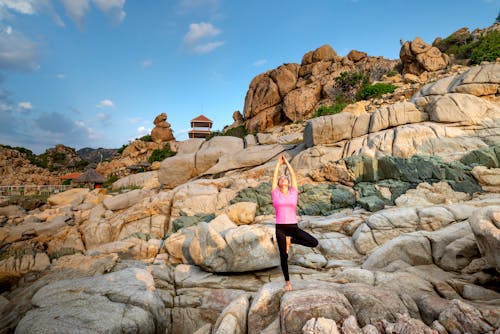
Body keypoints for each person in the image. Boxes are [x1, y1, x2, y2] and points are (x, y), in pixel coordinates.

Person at [271, 154, 318, 291]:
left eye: (285, 178)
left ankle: (291, 240)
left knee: (314, 242)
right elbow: (274, 177)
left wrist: (287, 163)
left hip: (293, 227)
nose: (284, 179)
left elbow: (292, 175)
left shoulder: (293, 192)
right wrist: (278, 165)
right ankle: (287, 282)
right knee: (283, 256)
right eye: (282, 179)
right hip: (280, 228)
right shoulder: (275, 194)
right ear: (279, 184)